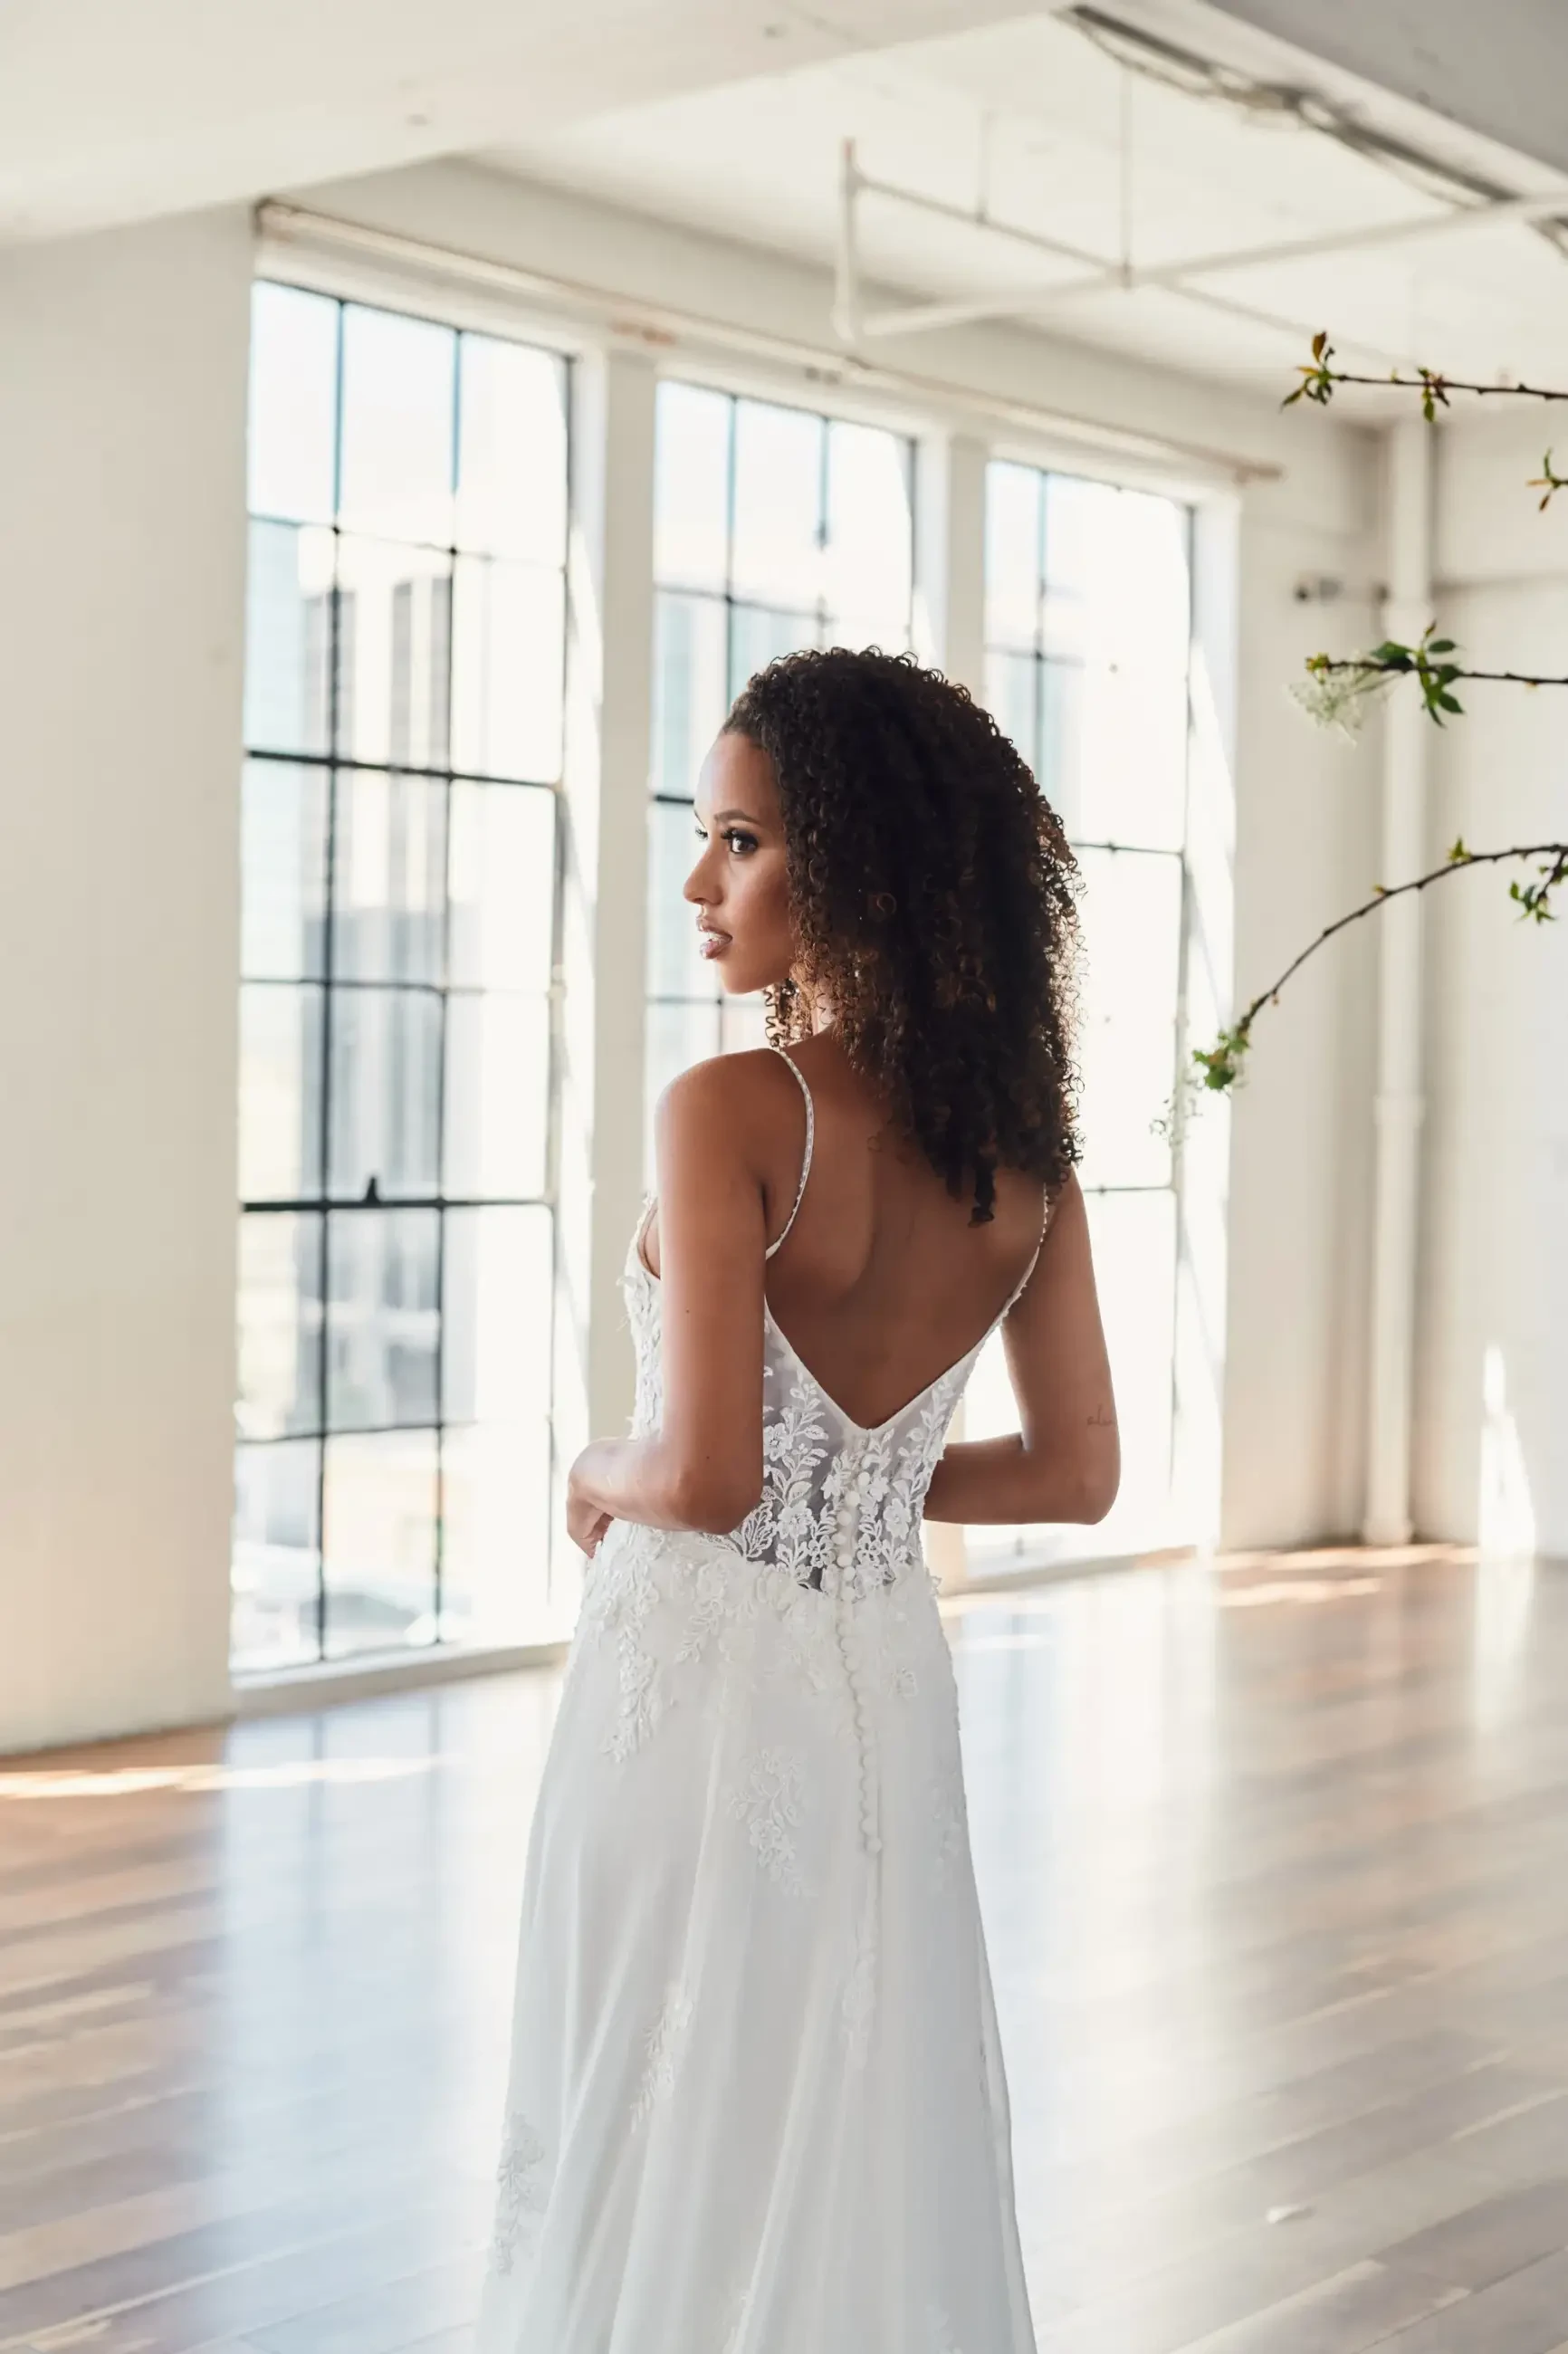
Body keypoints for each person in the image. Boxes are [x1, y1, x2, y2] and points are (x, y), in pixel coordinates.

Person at [476, 647, 1118, 2352]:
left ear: (858, 860)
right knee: (845, 2102)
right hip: (880, 1686)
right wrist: (877, 1490)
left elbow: (701, 1471)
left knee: (635, 2096)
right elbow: (1079, 1472)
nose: (703, 881)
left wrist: (589, 1472)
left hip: (682, 1684)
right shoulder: (1022, 1149)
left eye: (742, 840)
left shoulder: (732, 1110)